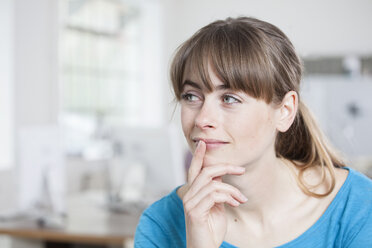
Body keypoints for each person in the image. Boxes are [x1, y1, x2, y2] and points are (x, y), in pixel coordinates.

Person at [134, 16, 372, 247]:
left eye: (229, 98)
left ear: (285, 111)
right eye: (191, 96)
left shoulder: (359, 206)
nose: (202, 119)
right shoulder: (159, 225)